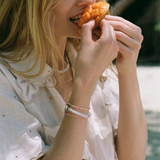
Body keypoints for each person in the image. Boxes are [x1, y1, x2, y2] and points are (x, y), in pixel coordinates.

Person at [0, 0, 147, 159]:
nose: (89, 1)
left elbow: (133, 156)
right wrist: (83, 86)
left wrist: (127, 69)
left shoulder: (86, 55)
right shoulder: (6, 79)